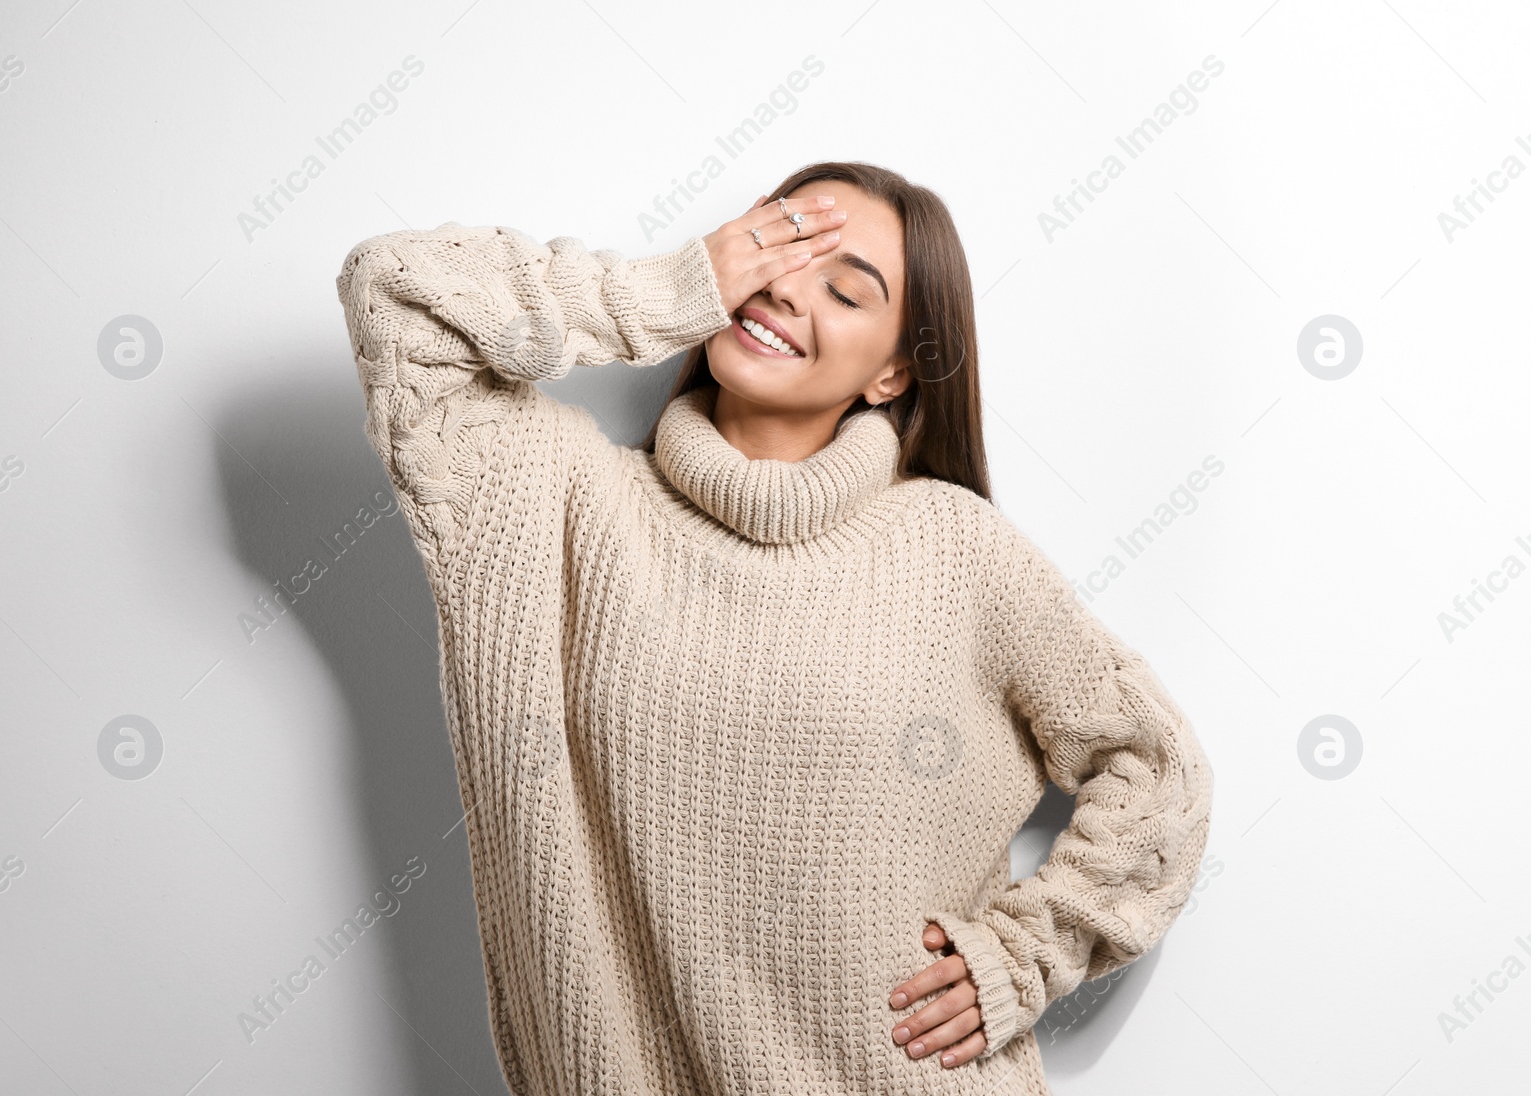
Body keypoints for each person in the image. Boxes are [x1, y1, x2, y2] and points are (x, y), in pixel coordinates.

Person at [334, 159, 1214, 1096]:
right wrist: (669, 289)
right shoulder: (548, 498)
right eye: (777, 247)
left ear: (892, 372)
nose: (788, 290)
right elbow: (394, 290)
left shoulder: (955, 548)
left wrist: (1025, 956)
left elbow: (1159, 769)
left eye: (844, 289)